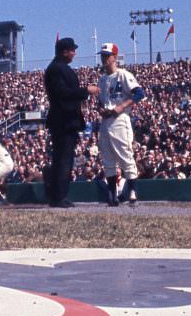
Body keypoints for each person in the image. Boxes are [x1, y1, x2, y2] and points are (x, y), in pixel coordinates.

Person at [42, 37, 98, 207]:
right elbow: (62, 92)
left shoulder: (59, 68)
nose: (74, 53)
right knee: (63, 159)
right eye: (72, 50)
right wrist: (85, 91)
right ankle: (59, 197)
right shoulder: (56, 69)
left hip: (66, 119)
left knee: (63, 158)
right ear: (64, 51)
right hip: (63, 120)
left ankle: (58, 196)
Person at [96, 42, 145, 206]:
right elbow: (100, 101)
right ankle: (112, 195)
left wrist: (122, 106)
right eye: (102, 55)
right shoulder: (102, 79)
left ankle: (132, 191)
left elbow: (139, 93)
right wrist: (100, 109)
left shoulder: (123, 74)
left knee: (125, 156)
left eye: (107, 55)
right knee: (108, 159)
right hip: (106, 120)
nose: (104, 58)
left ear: (114, 57)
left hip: (120, 118)